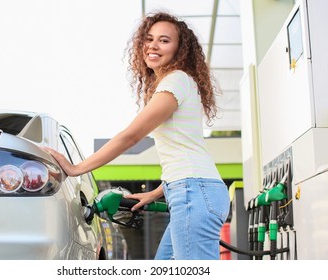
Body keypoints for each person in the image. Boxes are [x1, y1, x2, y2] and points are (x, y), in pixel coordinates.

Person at [43, 12, 230, 260]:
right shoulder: (181, 82)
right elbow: (185, 152)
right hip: (192, 190)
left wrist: (76, 168)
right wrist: (156, 193)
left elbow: (130, 137)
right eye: (149, 38)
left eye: (164, 40)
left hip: (194, 192)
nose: (153, 45)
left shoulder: (175, 81)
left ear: (180, 48)